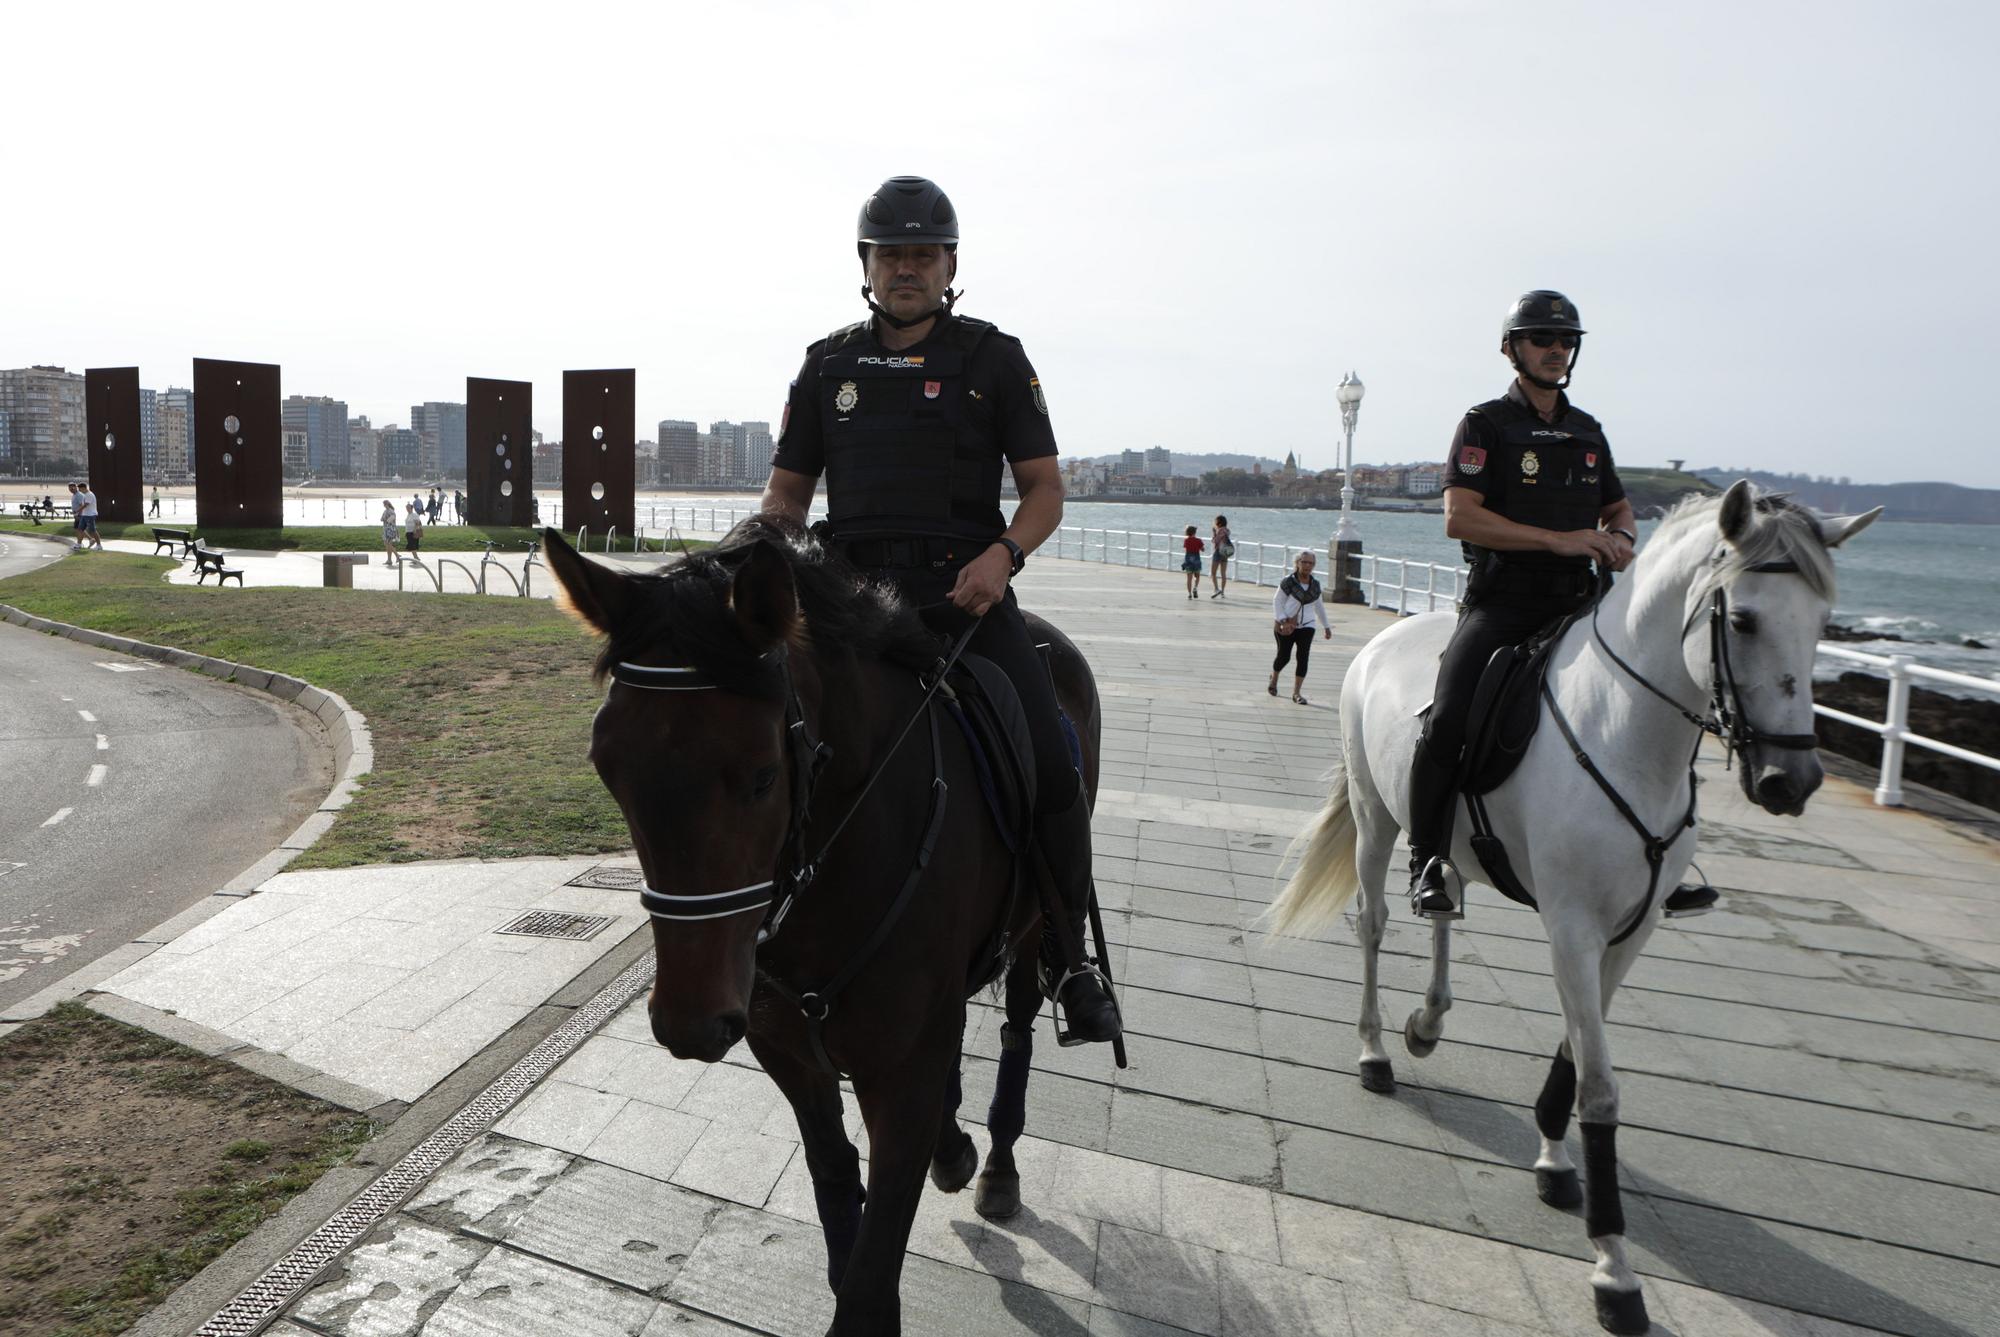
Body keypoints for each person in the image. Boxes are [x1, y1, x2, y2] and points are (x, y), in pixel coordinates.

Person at [759, 174, 1121, 1045]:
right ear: (867, 266)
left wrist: (1004, 555)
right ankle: (755, 925)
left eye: (924, 253)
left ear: (950, 264)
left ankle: (1069, 958)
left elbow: (1042, 490)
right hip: (852, 606)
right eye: (892, 254)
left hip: (966, 598)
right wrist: (771, 573)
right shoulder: (826, 365)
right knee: (762, 742)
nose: (907, 268)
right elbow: (785, 501)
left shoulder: (995, 359)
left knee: (1051, 757)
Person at [1405, 290, 1715, 922]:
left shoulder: (1586, 430)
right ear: (1513, 348)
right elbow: (1459, 518)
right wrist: (1559, 539)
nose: (1556, 350)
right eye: (1543, 339)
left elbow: (1618, 508)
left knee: (1666, 709)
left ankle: (1666, 856)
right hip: (1507, 601)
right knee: (1447, 721)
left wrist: (1624, 539)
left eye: (1566, 341)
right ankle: (1427, 859)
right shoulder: (1485, 424)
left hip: (1582, 601)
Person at [1269, 550, 1330, 703]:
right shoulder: (1288, 581)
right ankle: (1274, 677)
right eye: (1304, 562)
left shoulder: (1315, 585)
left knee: (1303, 658)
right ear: (1297, 563)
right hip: (1286, 625)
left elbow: (1319, 606)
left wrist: (1326, 626)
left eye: (1311, 563)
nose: (1307, 565)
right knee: (1284, 657)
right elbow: (1277, 602)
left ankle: (1296, 693)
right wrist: (1283, 621)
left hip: (1308, 626)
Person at [1209, 514, 1234, 598]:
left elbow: (1215, 541)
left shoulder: (1219, 530)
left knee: (1213, 573)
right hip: (1225, 553)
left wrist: (1214, 533)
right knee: (1223, 573)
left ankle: (1216, 589)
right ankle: (1222, 592)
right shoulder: (1227, 530)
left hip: (1218, 552)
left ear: (1218, 523)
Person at [75, 481, 103, 550]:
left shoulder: (89, 495)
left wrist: (77, 511)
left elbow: (85, 505)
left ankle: (99, 545)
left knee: (92, 530)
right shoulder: (85, 495)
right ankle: (79, 544)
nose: (79, 491)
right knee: (80, 529)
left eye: (80, 489)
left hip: (90, 515)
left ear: (84, 488)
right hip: (85, 515)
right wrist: (80, 513)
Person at [1181, 525, 1205, 598]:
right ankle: (1195, 587)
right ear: (1194, 532)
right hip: (1196, 561)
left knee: (1189, 578)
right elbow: (1203, 549)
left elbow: (1185, 547)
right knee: (1197, 576)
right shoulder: (1198, 540)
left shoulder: (1186, 541)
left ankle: (1189, 594)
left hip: (1188, 561)